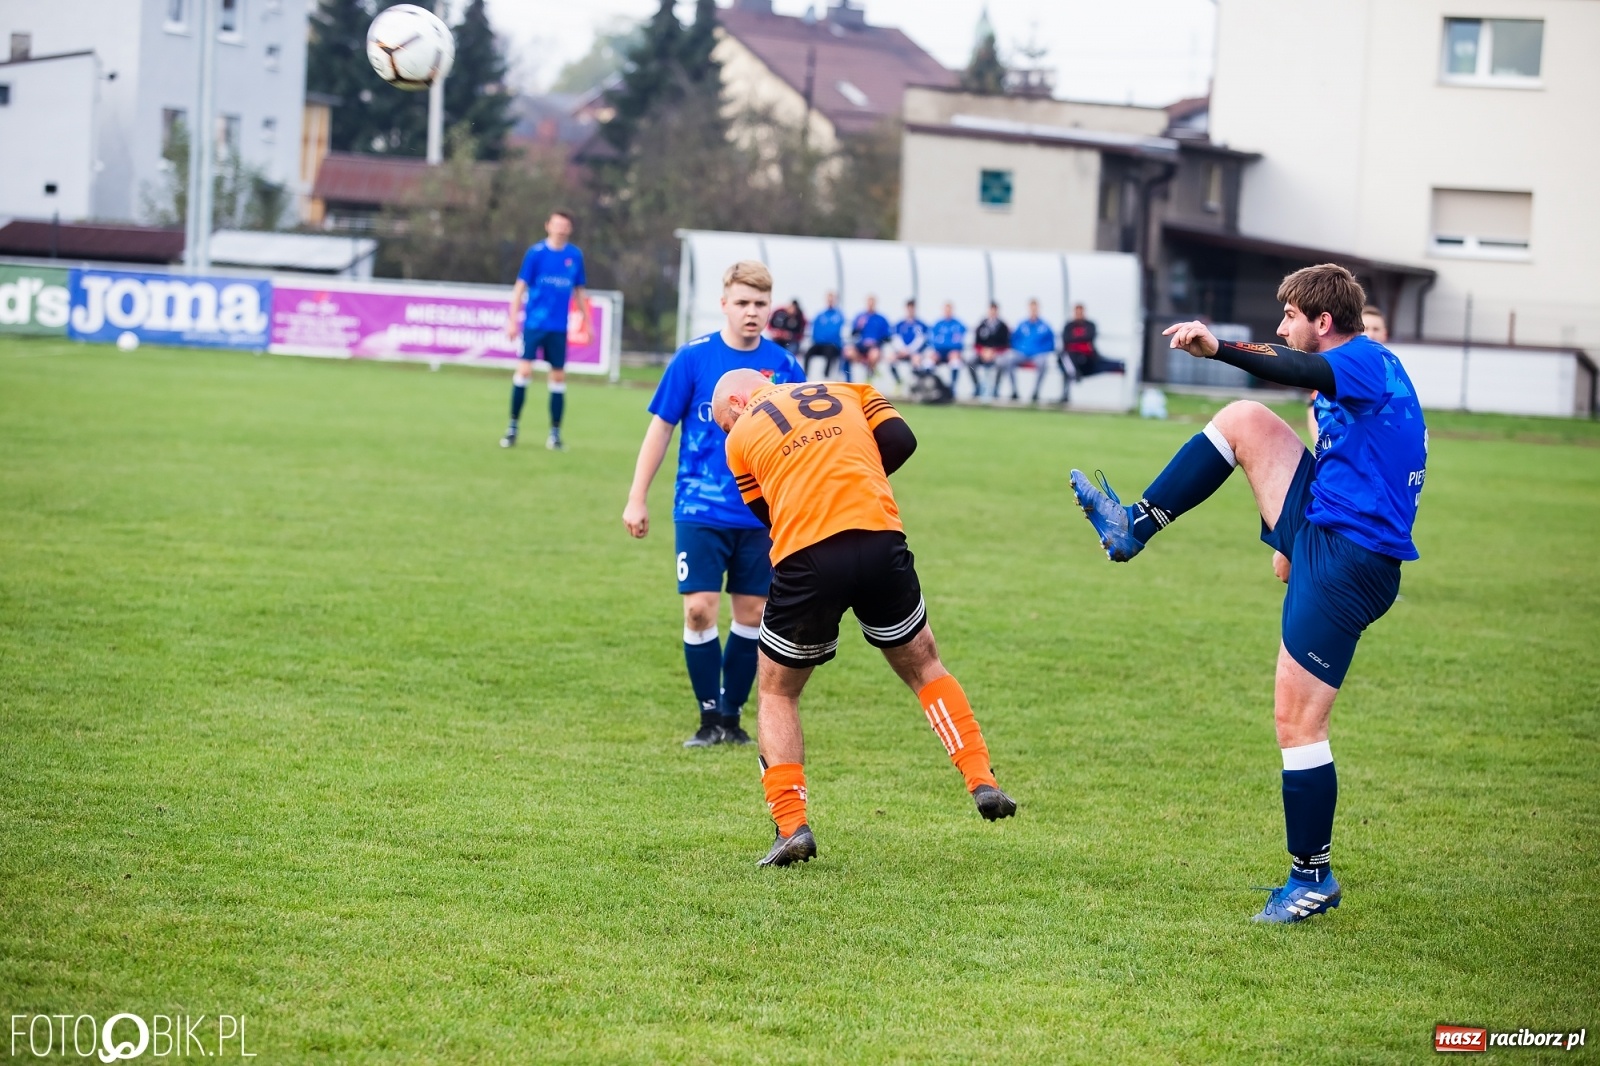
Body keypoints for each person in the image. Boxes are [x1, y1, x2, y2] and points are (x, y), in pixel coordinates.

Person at [1068, 264, 1427, 923]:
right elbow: (1352, 455)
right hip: (1326, 529)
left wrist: (1220, 348)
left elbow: (1295, 367)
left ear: (1324, 322)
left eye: (1290, 317)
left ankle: (1312, 879)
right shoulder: (1357, 370)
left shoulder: (1360, 361)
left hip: (1350, 559)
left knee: (1298, 723)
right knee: (1244, 421)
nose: (1282, 328)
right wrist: (1288, 533)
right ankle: (1132, 527)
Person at [713, 370, 1018, 865]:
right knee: (925, 665)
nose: (728, 430)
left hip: (807, 555)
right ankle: (981, 779)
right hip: (878, 536)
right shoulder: (849, 389)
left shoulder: (741, 435)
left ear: (738, 400)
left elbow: (767, 512)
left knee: (778, 691)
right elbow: (902, 439)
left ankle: (791, 826)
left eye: (725, 422)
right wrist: (855, 475)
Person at [623, 261, 807, 748]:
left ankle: (731, 716)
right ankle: (708, 719)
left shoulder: (785, 368)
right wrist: (637, 498)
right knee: (699, 611)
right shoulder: (693, 358)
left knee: (752, 613)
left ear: (770, 307)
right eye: (742, 302)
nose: (752, 312)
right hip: (699, 508)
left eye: (760, 303)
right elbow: (661, 428)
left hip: (762, 514)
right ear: (724, 304)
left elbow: (800, 442)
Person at [501, 210, 586, 451]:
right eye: (557, 224)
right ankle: (512, 428)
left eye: (565, 225)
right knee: (524, 372)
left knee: (558, 377)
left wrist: (587, 323)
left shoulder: (574, 255)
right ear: (548, 226)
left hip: (558, 327)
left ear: (570, 229)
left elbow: (579, 291)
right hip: (534, 324)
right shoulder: (536, 253)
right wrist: (512, 320)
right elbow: (520, 287)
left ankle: (555, 434)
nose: (561, 229)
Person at [1310, 304, 1386, 438]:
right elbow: (1315, 406)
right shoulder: (1342, 367)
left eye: (1376, 329)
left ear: (1385, 334)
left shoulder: (1393, 368)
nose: (1371, 334)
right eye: (1366, 328)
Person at [1005, 299, 1058, 403]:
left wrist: (1041, 350)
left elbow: (1051, 343)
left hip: (1038, 355)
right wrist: (1020, 348)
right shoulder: (1022, 324)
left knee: (1043, 363)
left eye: (1035, 309)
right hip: (1022, 353)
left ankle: (1035, 393)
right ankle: (1014, 391)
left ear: (1038, 309)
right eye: (1031, 309)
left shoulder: (1045, 326)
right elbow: (1014, 339)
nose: (1033, 311)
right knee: (1008, 359)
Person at [1063, 304, 1125, 381]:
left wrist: (1075, 338)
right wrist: (1081, 339)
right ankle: (1074, 374)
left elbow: (1090, 336)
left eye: (1080, 313)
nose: (1079, 315)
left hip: (1089, 357)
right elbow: (1066, 339)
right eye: (1077, 313)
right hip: (1075, 358)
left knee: (1109, 364)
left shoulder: (1090, 325)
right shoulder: (1068, 326)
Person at [844, 296, 892, 385]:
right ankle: (848, 380)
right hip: (861, 345)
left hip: (874, 346)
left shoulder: (881, 319)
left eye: (872, 303)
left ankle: (869, 375)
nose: (870, 305)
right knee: (847, 352)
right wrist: (859, 326)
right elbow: (853, 334)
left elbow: (888, 337)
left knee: (874, 354)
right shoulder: (860, 317)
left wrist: (876, 342)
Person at [971, 303, 1010, 399]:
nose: (992, 313)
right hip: (983, 354)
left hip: (996, 354)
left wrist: (993, 352)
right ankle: (977, 386)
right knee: (970, 360)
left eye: (994, 311)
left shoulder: (1003, 326)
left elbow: (1006, 345)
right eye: (990, 311)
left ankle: (996, 389)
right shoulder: (982, 325)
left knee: (1001, 362)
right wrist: (983, 351)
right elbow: (976, 343)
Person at [889, 299, 932, 386]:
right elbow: (895, 338)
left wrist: (909, 350)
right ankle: (898, 382)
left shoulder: (920, 325)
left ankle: (915, 384)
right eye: (909, 308)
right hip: (901, 351)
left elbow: (920, 340)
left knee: (917, 359)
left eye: (912, 308)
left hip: (914, 352)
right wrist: (902, 349)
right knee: (891, 358)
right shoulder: (899, 324)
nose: (910, 310)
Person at [928, 302, 967, 393]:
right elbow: (933, 341)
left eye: (949, 310)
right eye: (946, 310)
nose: (947, 312)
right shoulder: (938, 324)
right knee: (929, 360)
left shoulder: (958, 324)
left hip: (952, 352)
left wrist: (950, 348)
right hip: (939, 352)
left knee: (955, 360)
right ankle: (930, 386)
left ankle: (952, 388)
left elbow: (959, 343)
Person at [806, 292, 846, 379]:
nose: (830, 301)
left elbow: (840, 331)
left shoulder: (839, 315)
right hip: (819, 344)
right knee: (808, 352)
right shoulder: (820, 315)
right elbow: (814, 328)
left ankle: (826, 376)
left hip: (833, 345)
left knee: (829, 352)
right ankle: (805, 375)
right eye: (829, 299)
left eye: (832, 299)